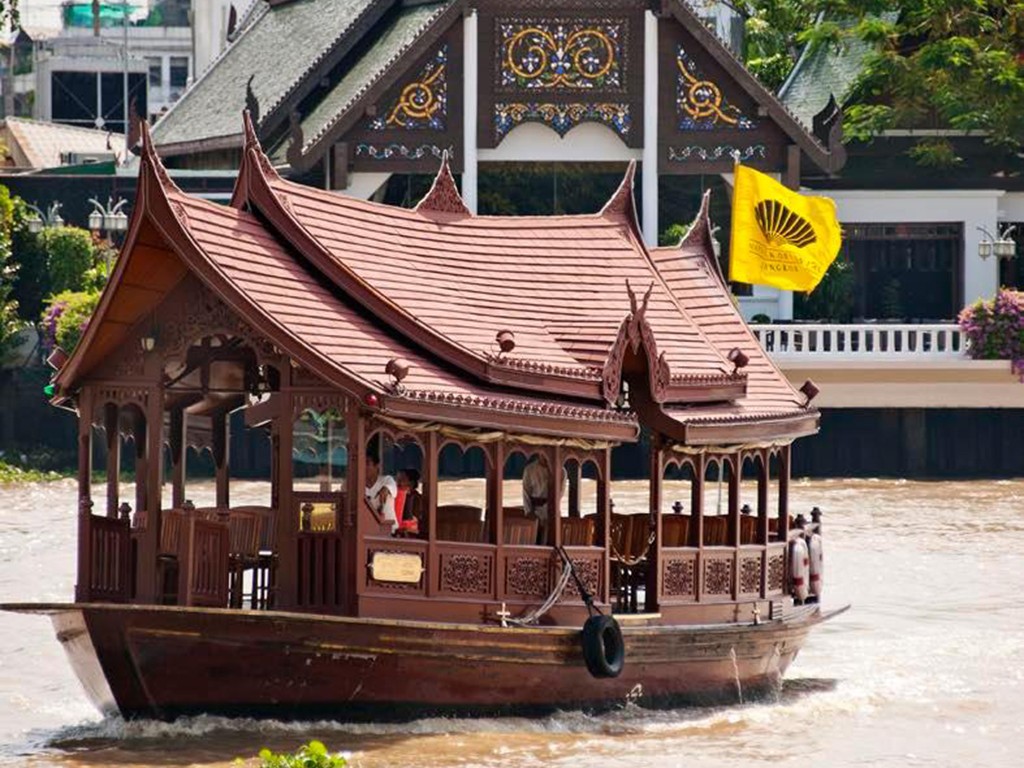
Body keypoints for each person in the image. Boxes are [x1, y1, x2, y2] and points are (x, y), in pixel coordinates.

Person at [521, 453, 567, 543]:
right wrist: (529, 512)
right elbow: (525, 493)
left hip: (552, 512)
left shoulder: (561, 471)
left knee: (552, 541)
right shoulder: (529, 469)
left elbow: (559, 495)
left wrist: (548, 512)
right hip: (534, 513)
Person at [365, 453, 398, 532]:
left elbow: (393, 489)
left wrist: (386, 489)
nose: (363, 467)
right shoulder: (357, 485)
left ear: (377, 466)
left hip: (390, 531)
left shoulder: (387, 480)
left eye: (367, 463)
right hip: (367, 530)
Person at [395, 468, 423, 535]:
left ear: (411, 483)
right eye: (397, 480)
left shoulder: (416, 498)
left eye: (402, 480)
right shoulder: (395, 496)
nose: (398, 483)